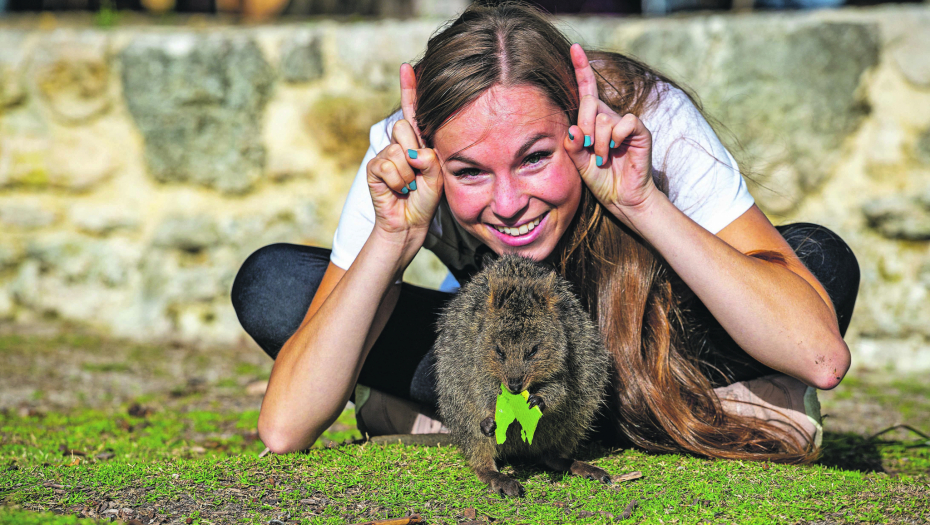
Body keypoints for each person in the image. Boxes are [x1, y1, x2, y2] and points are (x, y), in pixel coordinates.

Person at [231, 2, 859, 463]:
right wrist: (392, 239)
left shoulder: (650, 116)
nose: (508, 204)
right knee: (276, 286)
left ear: (574, 122)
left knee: (816, 263)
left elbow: (820, 356)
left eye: (534, 158)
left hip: (651, 346)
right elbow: (284, 430)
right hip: (513, 362)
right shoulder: (404, 154)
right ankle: (705, 416)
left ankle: (477, 427)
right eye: (470, 171)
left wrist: (640, 203)